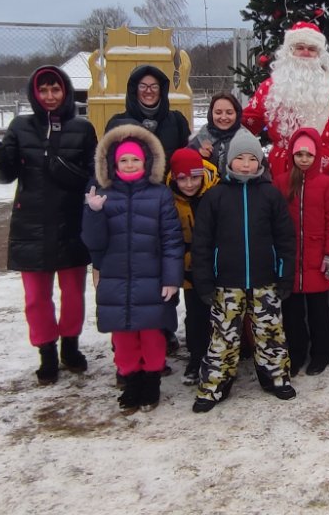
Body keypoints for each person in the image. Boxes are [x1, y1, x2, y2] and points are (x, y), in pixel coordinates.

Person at [0, 65, 97, 386]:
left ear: (65, 91)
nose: (50, 96)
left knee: (73, 292)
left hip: (71, 220)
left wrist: (66, 171)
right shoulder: (20, 127)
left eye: (56, 89)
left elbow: (93, 173)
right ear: (34, 94)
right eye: (43, 90)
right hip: (31, 222)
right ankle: (46, 351)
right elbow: (3, 176)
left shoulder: (82, 128)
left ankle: (70, 346)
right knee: (36, 295)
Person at [190, 129, 299, 412]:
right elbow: (201, 243)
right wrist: (204, 281)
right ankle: (215, 384)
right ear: (230, 161)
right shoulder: (216, 197)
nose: (247, 164)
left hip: (266, 281)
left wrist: (285, 275)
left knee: (271, 332)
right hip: (226, 282)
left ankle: (275, 376)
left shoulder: (270, 195)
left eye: (253, 158)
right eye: (241, 158)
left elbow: (285, 239)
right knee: (224, 336)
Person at [81, 125, 184, 411]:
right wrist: (93, 213)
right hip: (116, 279)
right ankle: (130, 384)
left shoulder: (160, 195)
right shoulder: (102, 195)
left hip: (151, 280)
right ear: (113, 164)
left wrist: (171, 278)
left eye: (135, 160)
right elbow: (93, 242)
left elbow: (172, 240)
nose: (129, 165)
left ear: (146, 162)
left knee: (151, 337)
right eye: (124, 160)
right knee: (124, 338)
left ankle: (151, 385)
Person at [104, 64, 193, 357]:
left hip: (165, 205)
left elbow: (183, 156)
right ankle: (126, 337)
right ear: (134, 90)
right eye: (143, 86)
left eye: (154, 86)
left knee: (165, 269)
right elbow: (107, 162)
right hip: (129, 204)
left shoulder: (175, 121)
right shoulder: (119, 122)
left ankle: (163, 330)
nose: (149, 91)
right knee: (131, 271)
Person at [242, 22, 329, 183]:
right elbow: (245, 124)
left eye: (312, 49)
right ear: (289, 51)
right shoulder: (270, 88)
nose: (305, 53)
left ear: (320, 55)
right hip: (282, 173)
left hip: (327, 174)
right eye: (300, 47)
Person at [275, 128, 329, 376]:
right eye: (299, 154)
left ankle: (321, 353)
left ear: (317, 157)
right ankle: (296, 354)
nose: (304, 159)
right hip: (291, 260)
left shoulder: (325, 183)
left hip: (318, 259)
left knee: (318, 312)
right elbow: (275, 219)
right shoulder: (282, 182)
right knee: (292, 315)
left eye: (309, 155)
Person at [167, 147, 219, 388]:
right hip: (188, 264)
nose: (189, 184)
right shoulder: (169, 197)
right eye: (183, 178)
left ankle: (221, 356)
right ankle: (196, 357)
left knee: (219, 313)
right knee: (195, 314)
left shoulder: (215, 192)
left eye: (194, 177)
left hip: (216, 261)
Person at [188, 92, 244, 175]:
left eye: (229, 113)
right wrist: (198, 156)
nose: (224, 117)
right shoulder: (201, 139)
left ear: (237, 114)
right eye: (218, 112)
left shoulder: (245, 139)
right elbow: (185, 167)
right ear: (211, 114)